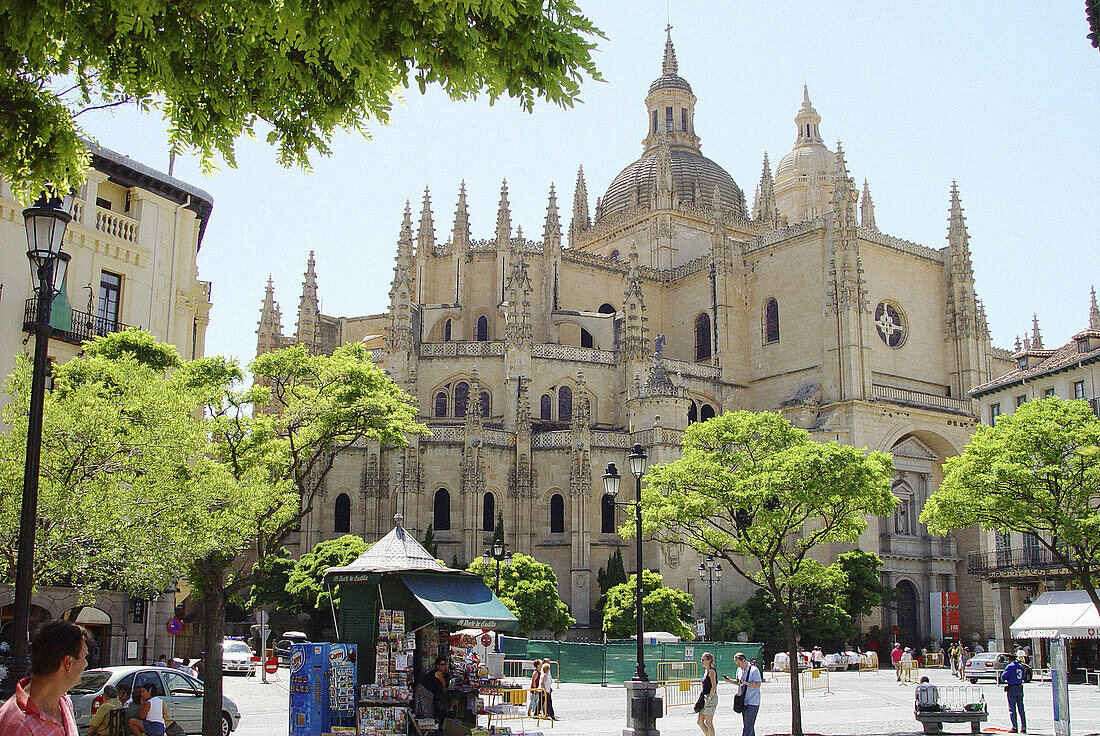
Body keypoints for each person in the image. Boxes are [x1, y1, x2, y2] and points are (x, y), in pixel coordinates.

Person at [0, 620, 89, 735]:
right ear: (68, 662)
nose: (85, 664)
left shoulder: (64, 702)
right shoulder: (20, 727)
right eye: (84, 657)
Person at [732, 652, 761, 736]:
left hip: (753, 702)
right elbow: (739, 682)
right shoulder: (739, 670)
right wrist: (729, 680)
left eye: (739, 663)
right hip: (743, 701)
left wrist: (745, 682)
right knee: (749, 725)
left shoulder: (754, 670)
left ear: (744, 660)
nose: (738, 665)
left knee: (748, 726)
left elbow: (757, 685)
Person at [998, 652, 1027, 733]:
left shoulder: (1010, 666)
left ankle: (1014, 727)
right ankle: (1024, 727)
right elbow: (1023, 676)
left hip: (1012, 688)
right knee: (1021, 708)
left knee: (1012, 709)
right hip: (1020, 687)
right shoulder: (1020, 666)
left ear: (1009, 659)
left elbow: (1003, 677)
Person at [419, 656, 449, 724]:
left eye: (445, 665)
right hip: (425, 691)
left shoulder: (434, 672)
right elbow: (444, 685)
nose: (444, 667)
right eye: (442, 665)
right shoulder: (438, 673)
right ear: (437, 666)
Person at [696, 652, 717, 736]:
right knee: (700, 721)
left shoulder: (711, 671)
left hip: (710, 697)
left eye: (703, 659)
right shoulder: (706, 671)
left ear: (709, 660)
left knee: (709, 722)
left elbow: (714, 685)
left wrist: (710, 697)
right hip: (704, 697)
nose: (701, 661)